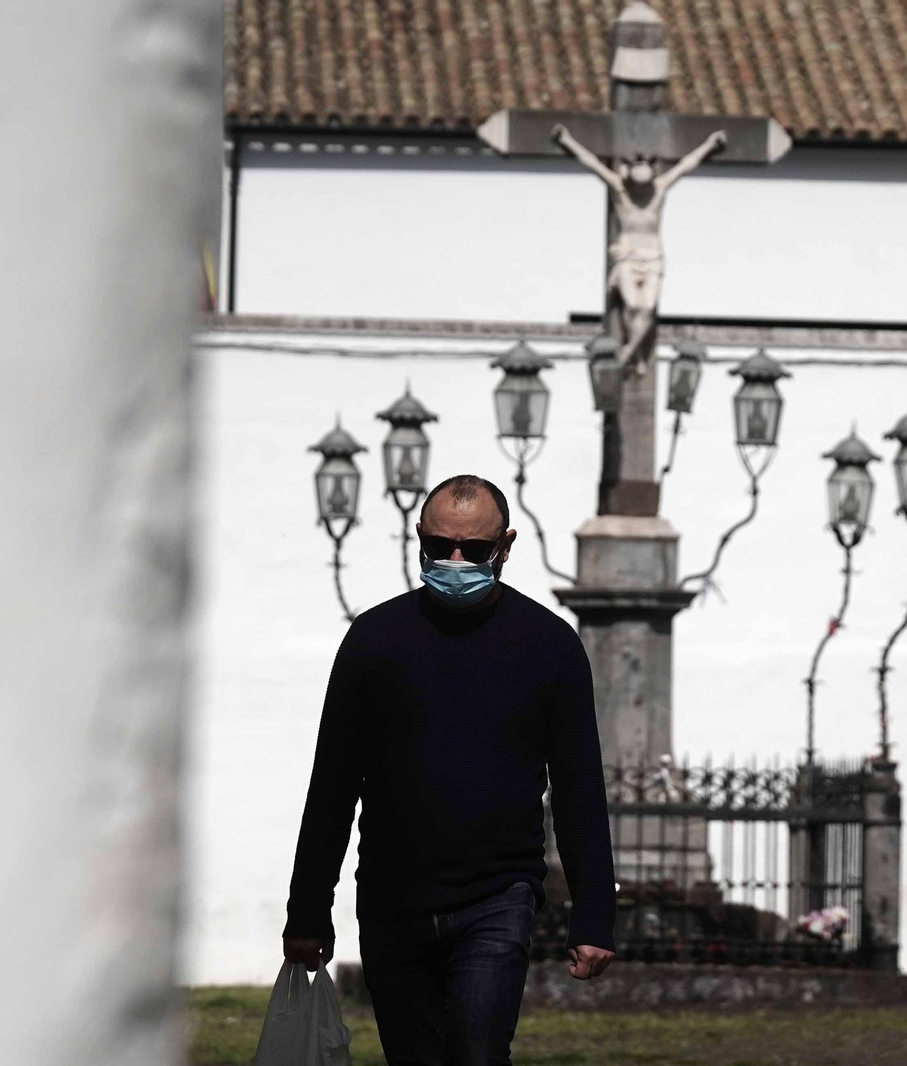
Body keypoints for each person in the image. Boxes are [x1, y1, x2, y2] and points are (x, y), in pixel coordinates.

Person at [281, 474, 617, 1065]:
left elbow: (578, 787)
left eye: (474, 549)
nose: (455, 561)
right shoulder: (375, 640)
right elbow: (333, 782)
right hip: (391, 898)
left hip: (498, 896)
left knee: (478, 1052)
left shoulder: (549, 646)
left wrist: (594, 915)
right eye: (439, 546)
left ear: (505, 547)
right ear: (418, 538)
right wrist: (308, 910)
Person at [551, 123, 728, 374]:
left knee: (648, 307)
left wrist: (709, 145)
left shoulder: (660, 187)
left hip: (653, 256)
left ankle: (629, 351)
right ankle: (635, 354)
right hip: (627, 254)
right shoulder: (619, 188)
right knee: (633, 306)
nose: (641, 192)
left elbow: (686, 165)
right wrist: (566, 141)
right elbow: (591, 163)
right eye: (637, 186)